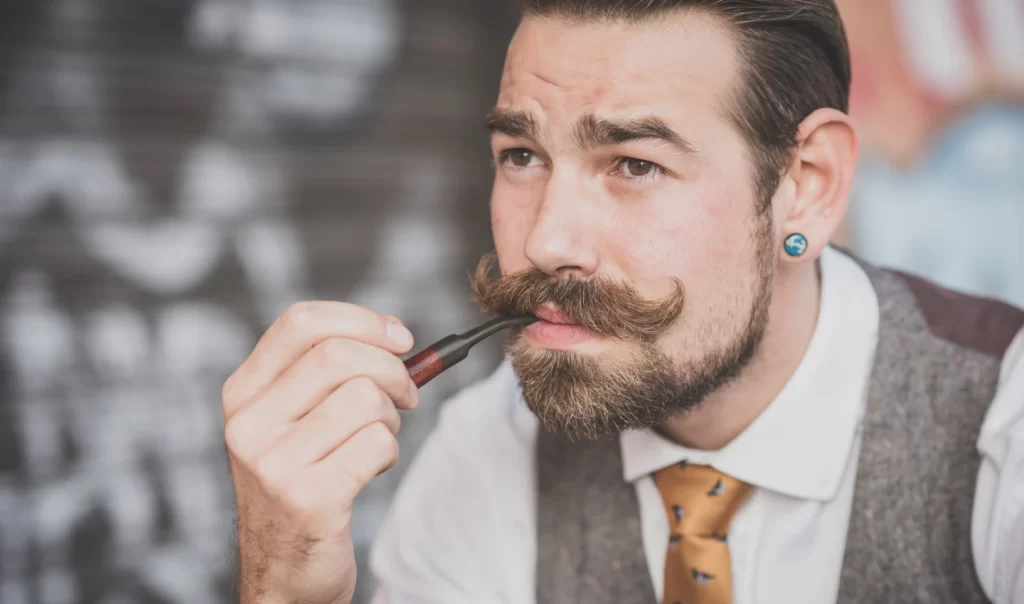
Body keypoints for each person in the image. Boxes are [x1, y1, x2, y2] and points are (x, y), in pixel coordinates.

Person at [220, 1, 1024, 602]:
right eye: (523, 154)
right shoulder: (489, 448)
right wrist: (285, 587)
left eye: (633, 164)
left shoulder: (1001, 423)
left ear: (806, 189)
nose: (545, 243)